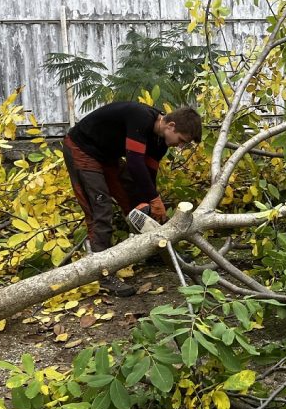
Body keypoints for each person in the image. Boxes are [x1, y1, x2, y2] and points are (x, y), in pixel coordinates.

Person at [62, 101, 202, 296]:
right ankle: (103, 274)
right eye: (181, 140)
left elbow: (147, 175)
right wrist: (154, 199)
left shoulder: (160, 143)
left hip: (106, 156)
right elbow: (135, 163)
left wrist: (151, 202)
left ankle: (154, 251)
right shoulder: (141, 116)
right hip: (82, 149)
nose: (180, 146)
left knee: (135, 198)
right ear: (171, 126)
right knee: (100, 210)